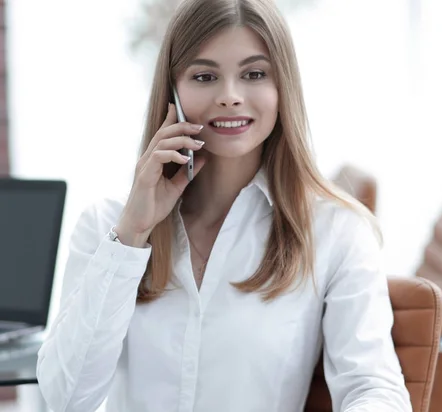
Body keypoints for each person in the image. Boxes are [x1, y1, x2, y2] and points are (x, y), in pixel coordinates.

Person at [36, 0, 412, 411]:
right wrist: (132, 236)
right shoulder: (107, 227)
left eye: (254, 74)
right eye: (204, 76)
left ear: (282, 87)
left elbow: (373, 389)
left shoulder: (337, 231)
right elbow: (65, 400)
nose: (230, 96)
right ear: (173, 91)